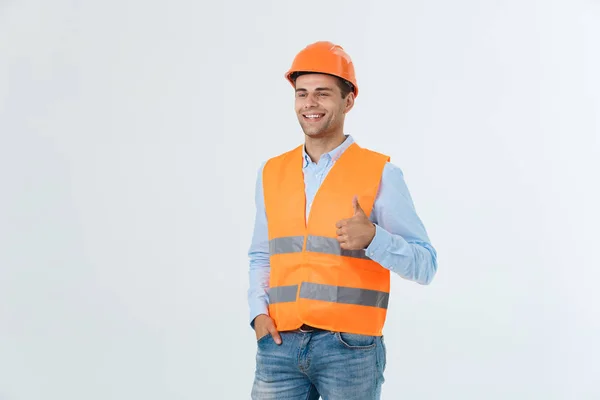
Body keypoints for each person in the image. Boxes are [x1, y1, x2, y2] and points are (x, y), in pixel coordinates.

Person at [247, 41, 438, 400]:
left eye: (323, 93)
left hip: (349, 350)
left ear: (348, 101)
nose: (310, 103)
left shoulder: (380, 172)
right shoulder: (271, 172)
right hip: (279, 347)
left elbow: (425, 265)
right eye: (302, 93)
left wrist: (374, 238)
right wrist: (258, 314)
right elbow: (261, 255)